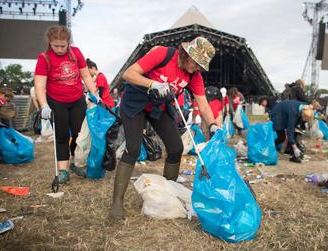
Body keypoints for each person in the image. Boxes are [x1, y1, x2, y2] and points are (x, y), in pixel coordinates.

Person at [113, 36, 218, 219]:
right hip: (135, 103)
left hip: (158, 107)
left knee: (176, 148)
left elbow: (203, 104)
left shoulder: (194, 75)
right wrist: (153, 83)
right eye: (197, 63)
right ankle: (117, 202)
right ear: (187, 54)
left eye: (202, 65)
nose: (198, 68)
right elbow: (128, 74)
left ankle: (169, 193)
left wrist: (213, 125)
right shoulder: (163, 55)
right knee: (133, 149)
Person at [34, 25, 101, 184]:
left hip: (77, 100)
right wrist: (44, 105)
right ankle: (63, 169)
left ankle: (76, 163)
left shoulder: (76, 53)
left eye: (63, 46)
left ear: (68, 42)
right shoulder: (44, 58)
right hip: (56, 102)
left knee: (80, 135)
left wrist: (94, 93)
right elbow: (39, 85)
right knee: (62, 135)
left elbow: (85, 75)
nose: (59, 49)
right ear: (49, 43)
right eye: (55, 46)